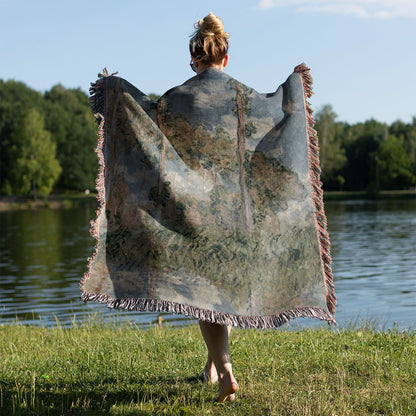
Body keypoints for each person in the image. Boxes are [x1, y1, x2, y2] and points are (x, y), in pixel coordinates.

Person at [188, 12, 238, 403]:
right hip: (236, 208)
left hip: (197, 208)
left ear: (194, 60)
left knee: (205, 297)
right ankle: (209, 367)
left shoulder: (179, 97)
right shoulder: (242, 96)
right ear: (225, 58)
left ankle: (226, 373)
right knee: (223, 291)